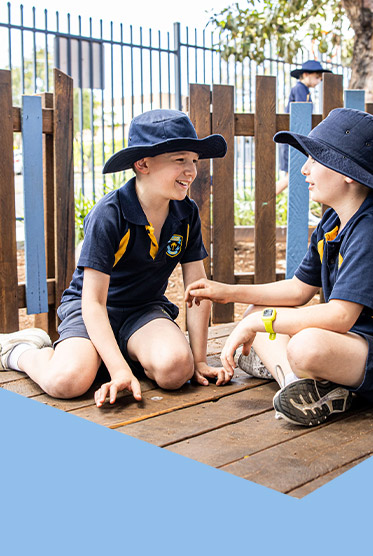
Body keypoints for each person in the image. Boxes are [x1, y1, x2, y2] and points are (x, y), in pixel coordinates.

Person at [185, 107, 373, 427]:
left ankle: (303, 376)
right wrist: (227, 292)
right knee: (257, 313)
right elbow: (298, 289)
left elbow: (339, 316)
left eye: (315, 159)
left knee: (304, 345)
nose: (304, 170)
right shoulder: (332, 223)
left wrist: (260, 326)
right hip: (358, 344)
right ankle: (300, 388)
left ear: (346, 171)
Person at [0, 109, 230, 406]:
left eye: (194, 161)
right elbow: (92, 302)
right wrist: (119, 370)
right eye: (180, 160)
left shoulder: (186, 214)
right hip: (94, 310)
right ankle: (21, 351)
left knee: (176, 370)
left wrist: (199, 360)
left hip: (143, 310)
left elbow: (198, 290)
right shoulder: (110, 214)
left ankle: (118, 355)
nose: (192, 171)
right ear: (143, 163)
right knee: (67, 381)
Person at [276, 59, 332, 195]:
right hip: (294, 139)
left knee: (292, 176)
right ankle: (264, 198)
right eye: (317, 77)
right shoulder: (300, 89)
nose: (319, 81)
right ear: (306, 74)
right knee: (291, 176)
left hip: (294, 137)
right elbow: (302, 114)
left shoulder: (303, 89)